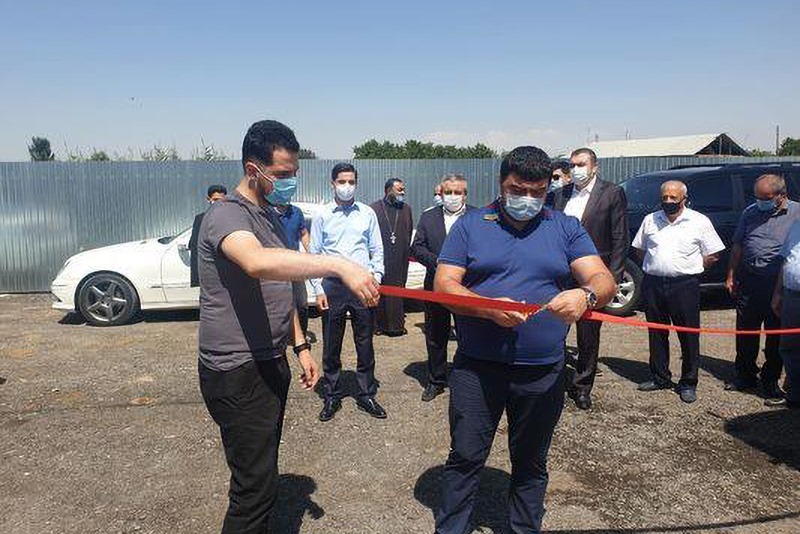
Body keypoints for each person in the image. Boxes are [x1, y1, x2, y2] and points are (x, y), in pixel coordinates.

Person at [196, 120, 380, 534]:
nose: (289, 181)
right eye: (281, 174)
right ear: (253, 169)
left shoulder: (269, 216)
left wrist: (300, 346)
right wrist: (338, 264)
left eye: (293, 173)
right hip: (237, 370)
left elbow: (277, 288)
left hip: (269, 359)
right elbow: (257, 263)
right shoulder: (227, 214)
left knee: (262, 476)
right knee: (253, 491)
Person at [433, 146, 617, 534]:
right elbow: (444, 285)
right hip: (477, 369)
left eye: (537, 192)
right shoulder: (470, 226)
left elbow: (603, 280)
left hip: (542, 371)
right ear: (501, 183)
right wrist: (486, 307)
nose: (527, 199)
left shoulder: (565, 227)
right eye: (518, 190)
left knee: (531, 463)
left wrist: (585, 296)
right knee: (465, 457)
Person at [632, 180, 725, 404]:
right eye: (664, 197)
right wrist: (656, 266)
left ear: (684, 199)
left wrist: (691, 268)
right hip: (654, 284)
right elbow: (639, 249)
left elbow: (713, 254)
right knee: (657, 332)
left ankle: (688, 382)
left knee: (688, 335)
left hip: (685, 285)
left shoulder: (699, 221)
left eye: (673, 198)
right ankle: (660, 377)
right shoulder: (650, 220)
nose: (668, 201)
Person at [550, 148, 628, 410]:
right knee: (555, 329)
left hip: (594, 275)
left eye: (581, 164)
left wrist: (612, 279)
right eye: (572, 165)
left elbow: (619, 238)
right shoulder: (559, 194)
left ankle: (582, 386)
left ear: (595, 167)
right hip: (561, 273)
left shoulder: (611, 193)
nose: (576, 170)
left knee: (588, 335)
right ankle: (554, 380)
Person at [310, 163, 388, 421]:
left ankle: (366, 393)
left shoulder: (367, 213)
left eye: (351, 181)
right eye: (342, 181)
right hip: (332, 285)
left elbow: (377, 249)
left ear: (356, 183)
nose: (347, 186)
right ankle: (332, 395)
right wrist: (317, 288)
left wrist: (376, 279)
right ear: (332, 183)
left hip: (363, 285)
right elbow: (314, 255)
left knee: (365, 341)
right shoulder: (322, 215)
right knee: (331, 342)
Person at [725, 174, 800, 400]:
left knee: (775, 333)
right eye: (756, 197)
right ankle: (745, 374)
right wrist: (731, 275)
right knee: (746, 330)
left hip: (777, 281)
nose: (760, 202)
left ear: (781, 195)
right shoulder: (750, 212)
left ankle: (770, 379)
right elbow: (738, 245)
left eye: (765, 198)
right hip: (750, 280)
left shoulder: (797, 213)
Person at [411, 173, 475, 402]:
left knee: (468, 334)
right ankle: (436, 380)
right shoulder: (429, 217)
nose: (452, 196)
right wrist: (438, 263)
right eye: (448, 192)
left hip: (466, 287)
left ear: (465, 195)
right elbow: (417, 247)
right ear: (441, 193)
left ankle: (467, 377)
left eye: (458, 192)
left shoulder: (477, 217)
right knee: (436, 334)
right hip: (435, 286)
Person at [370, 178, 414, 336]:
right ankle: (378, 325)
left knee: (398, 291)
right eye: (399, 189)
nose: (403, 192)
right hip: (381, 257)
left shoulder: (406, 209)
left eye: (403, 189)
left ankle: (397, 325)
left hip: (400, 257)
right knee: (380, 290)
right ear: (388, 190)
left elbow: (408, 231)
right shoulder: (374, 209)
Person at [269, 196, 312, 340]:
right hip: (273, 266)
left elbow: (303, 233)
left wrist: (311, 253)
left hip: (294, 265)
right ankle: (278, 336)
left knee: (301, 302)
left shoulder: (296, 212)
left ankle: (301, 335)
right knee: (276, 303)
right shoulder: (266, 212)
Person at [770, 220, 800, 408]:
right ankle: (795, 395)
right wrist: (778, 292)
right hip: (792, 295)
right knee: (790, 346)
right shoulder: (796, 225)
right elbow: (786, 260)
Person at [189, 184, 227, 287]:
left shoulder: (231, 218)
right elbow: (195, 248)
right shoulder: (201, 219)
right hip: (210, 275)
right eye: (215, 200)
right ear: (208, 199)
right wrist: (197, 279)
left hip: (228, 273)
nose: (218, 203)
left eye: (221, 200)